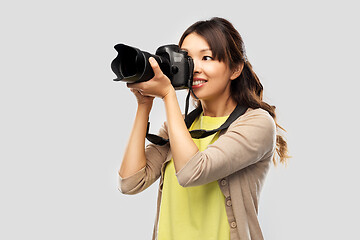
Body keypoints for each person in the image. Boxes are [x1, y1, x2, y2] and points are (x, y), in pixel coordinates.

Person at [117, 17, 289, 240]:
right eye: (187, 59)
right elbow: (130, 182)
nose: (194, 68)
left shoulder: (256, 123)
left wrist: (169, 95)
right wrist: (144, 104)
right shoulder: (179, 127)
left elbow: (192, 171)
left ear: (235, 68)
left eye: (206, 57)